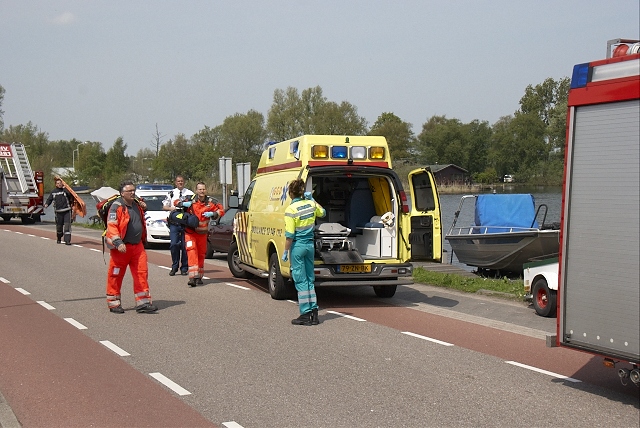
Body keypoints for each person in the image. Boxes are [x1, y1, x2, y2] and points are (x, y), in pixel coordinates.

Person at [104, 180, 157, 314]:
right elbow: (112, 226)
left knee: (141, 273)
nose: (133, 193)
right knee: (115, 275)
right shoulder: (116, 207)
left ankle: (143, 303)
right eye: (129, 191)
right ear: (122, 193)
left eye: (134, 190)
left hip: (137, 246)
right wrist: (118, 242)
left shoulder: (137, 204)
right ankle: (114, 303)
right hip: (121, 247)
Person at [282, 179, 326, 326]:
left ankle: (305, 314)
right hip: (309, 246)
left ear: (290, 193)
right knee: (309, 279)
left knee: (300, 280)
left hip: (298, 247)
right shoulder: (311, 204)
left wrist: (285, 251)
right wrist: (313, 199)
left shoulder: (291, 210)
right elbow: (323, 213)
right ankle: (314, 313)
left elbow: (290, 234)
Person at [182, 182, 224, 287]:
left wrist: (213, 214)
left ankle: (199, 276)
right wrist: (182, 204)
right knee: (191, 251)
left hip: (202, 233)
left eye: (203, 189)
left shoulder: (211, 202)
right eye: (200, 189)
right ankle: (192, 276)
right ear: (196, 190)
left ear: (206, 190)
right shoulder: (190, 199)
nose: (202, 191)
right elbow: (176, 202)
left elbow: (221, 210)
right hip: (190, 232)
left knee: (201, 254)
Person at [163, 175, 194, 276]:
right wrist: (173, 209)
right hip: (174, 222)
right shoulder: (171, 193)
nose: (180, 183)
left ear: (184, 182)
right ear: (176, 183)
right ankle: (174, 266)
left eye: (182, 181)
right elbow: (164, 206)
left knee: (185, 246)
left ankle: (184, 267)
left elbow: (194, 206)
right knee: (174, 244)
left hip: (185, 222)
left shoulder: (189, 193)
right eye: (178, 181)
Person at [44, 177, 74, 245]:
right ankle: (59, 238)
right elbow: (49, 199)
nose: (59, 184)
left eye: (60, 183)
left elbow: (70, 196)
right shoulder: (53, 192)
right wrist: (46, 204)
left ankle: (67, 240)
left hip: (67, 210)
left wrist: (65, 189)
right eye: (58, 183)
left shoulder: (65, 190)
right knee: (59, 227)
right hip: (58, 212)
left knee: (67, 226)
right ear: (56, 184)